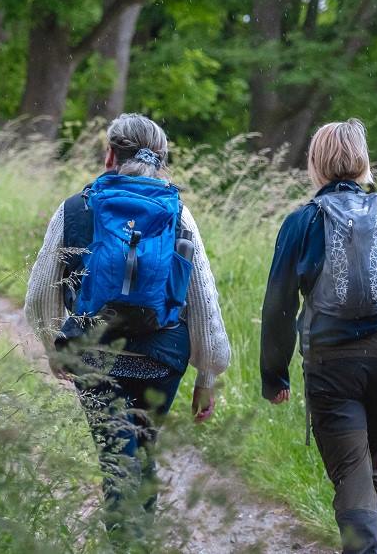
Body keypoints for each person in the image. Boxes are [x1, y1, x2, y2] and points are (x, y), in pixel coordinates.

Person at [25, 113, 231, 533]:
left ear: (109, 156)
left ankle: (127, 542)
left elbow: (39, 296)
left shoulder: (74, 211)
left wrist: (55, 346)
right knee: (143, 446)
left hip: (96, 354)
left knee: (117, 460)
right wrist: (207, 374)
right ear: (162, 161)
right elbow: (202, 302)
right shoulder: (178, 214)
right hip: (162, 358)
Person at [260, 119, 377, 554]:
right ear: (364, 163)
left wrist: (275, 375)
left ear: (315, 163)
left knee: (351, 470)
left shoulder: (301, 223)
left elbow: (279, 307)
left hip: (333, 364)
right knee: (365, 466)